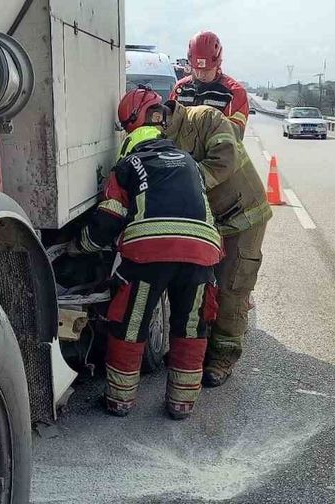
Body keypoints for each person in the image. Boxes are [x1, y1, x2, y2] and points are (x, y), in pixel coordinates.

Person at [70, 87, 222, 420]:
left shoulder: (128, 165)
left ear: (129, 131)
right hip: (202, 254)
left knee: (130, 322)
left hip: (148, 255)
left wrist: (78, 246)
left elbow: (106, 222)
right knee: (191, 325)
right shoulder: (190, 164)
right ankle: (181, 404)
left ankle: (120, 401)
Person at [161, 99, 271, 388]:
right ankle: (197, 347)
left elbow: (225, 160)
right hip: (210, 220)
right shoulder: (160, 137)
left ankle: (223, 356)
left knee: (232, 286)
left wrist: (181, 181)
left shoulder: (206, 118)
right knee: (198, 285)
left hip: (245, 216)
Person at [169, 31, 250, 141]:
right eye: (197, 69)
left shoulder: (234, 93)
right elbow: (169, 127)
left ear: (218, 64)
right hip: (181, 155)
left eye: (206, 70)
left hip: (216, 154)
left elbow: (233, 137)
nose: (201, 75)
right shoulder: (181, 88)